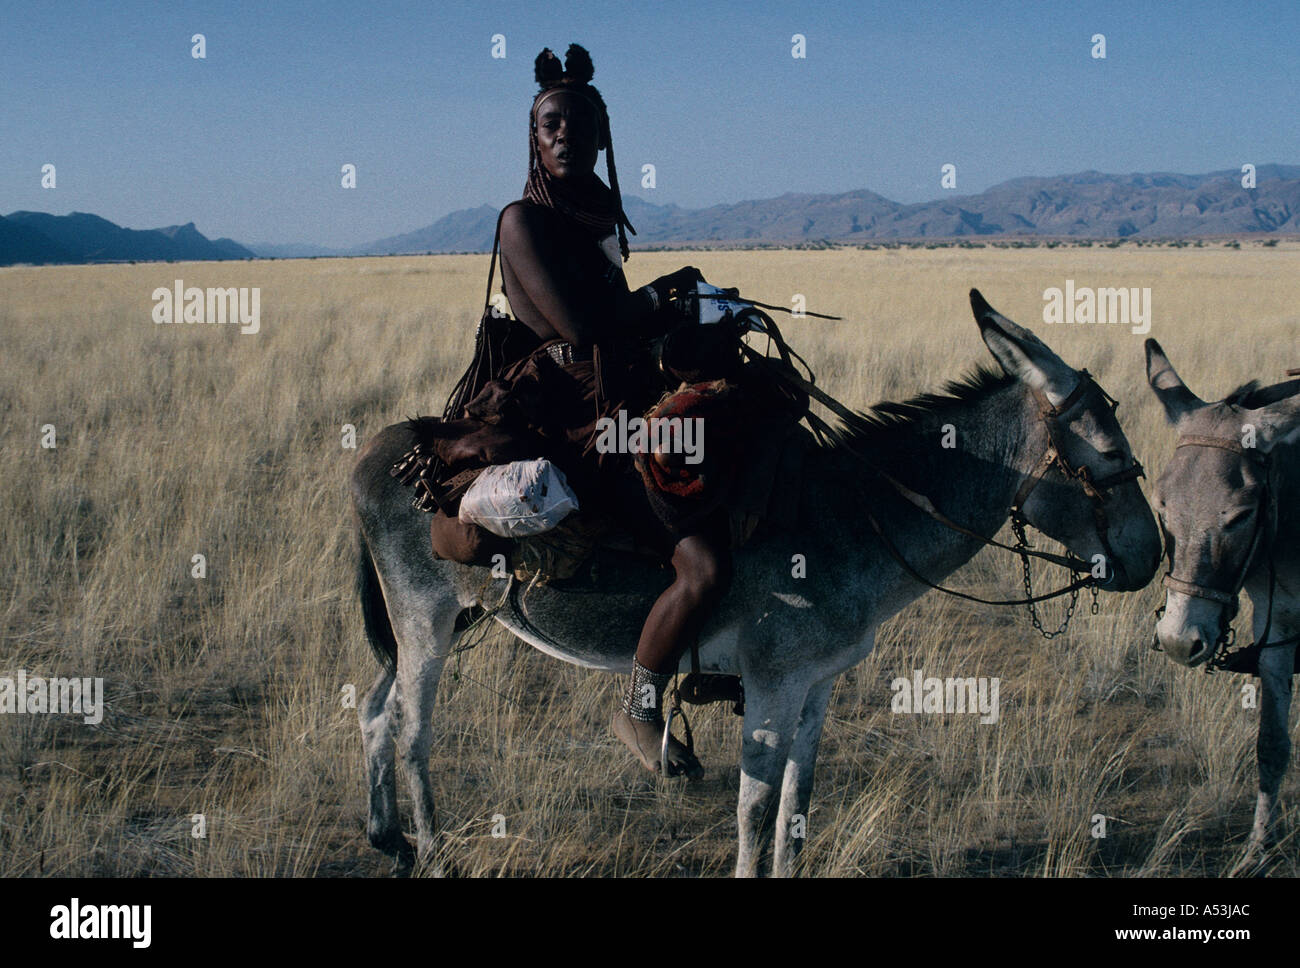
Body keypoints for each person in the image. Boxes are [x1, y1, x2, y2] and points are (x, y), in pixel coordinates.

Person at [496, 45, 732, 778]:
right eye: (550, 124)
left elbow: (621, 327)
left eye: (580, 123)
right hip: (573, 425)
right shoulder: (522, 223)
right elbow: (585, 329)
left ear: (602, 137)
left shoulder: (593, 222)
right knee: (705, 564)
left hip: (620, 401)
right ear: (533, 140)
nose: (565, 133)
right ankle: (637, 709)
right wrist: (658, 297)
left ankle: (715, 653)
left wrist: (697, 319)